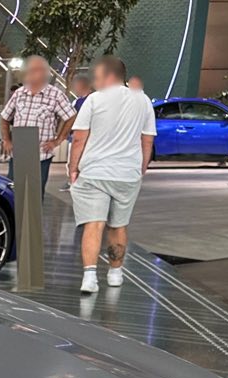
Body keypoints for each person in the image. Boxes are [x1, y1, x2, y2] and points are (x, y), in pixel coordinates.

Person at [68, 55, 156, 294]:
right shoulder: (143, 100)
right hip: (127, 174)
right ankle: (115, 274)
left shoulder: (94, 100)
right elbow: (147, 140)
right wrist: (141, 167)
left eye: (97, 76)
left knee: (94, 224)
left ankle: (89, 278)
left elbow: (79, 138)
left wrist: (73, 168)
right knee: (119, 225)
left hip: (95, 172)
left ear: (108, 75)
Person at [0, 56, 76, 191]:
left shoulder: (55, 95)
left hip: (41, 155)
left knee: (33, 195)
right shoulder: (19, 93)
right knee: (13, 193)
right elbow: (5, 117)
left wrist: (58, 140)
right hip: (19, 153)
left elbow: (71, 116)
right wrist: (6, 140)